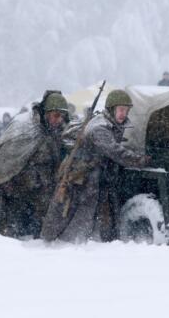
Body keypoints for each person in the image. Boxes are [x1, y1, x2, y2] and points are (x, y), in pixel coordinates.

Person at [42, 89, 150, 243]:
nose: (123, 114)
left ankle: (67, 242)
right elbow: (114, 151)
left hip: (88, 175)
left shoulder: (109, 124)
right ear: (112, 109)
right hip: (80, 175)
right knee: (71, 210)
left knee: (78, 211)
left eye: (126, 110)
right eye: (120, 109)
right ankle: (65, 245)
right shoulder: (100, 128)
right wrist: (139, 160)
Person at [0, 92, 69, 238]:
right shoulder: (26, 129)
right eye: (55, 115)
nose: (59, 120)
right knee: (11, 234)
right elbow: (2, 165)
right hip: (17, 191)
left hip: (41, 189)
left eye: (61, 116)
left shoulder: (55, 132)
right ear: (46, 113)